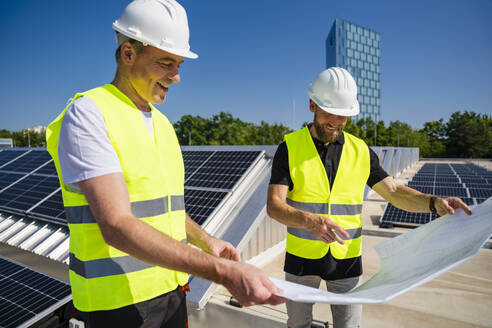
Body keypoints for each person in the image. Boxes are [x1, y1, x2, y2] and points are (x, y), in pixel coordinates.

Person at [46, 1, 283, 327]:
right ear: (128, 53)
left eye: (179, 65)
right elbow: (116, 224)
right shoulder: (89, 114)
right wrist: (222, 272)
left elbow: (165, 210)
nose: (176, 76)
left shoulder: (162, 125)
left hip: (171, 291)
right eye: (166, 63)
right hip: (118, 306)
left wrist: (206, 241)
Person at [266, 67, 472, 328]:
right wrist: (309, 221)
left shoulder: (361, 150)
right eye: (330, 112)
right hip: (300, 260)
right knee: (297, 325)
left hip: (348, 261)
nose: (336, 121)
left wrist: (433, 202)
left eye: (344, 115)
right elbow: (274, 206)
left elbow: (395, 192)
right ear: (311, 104)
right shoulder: (290, 148)